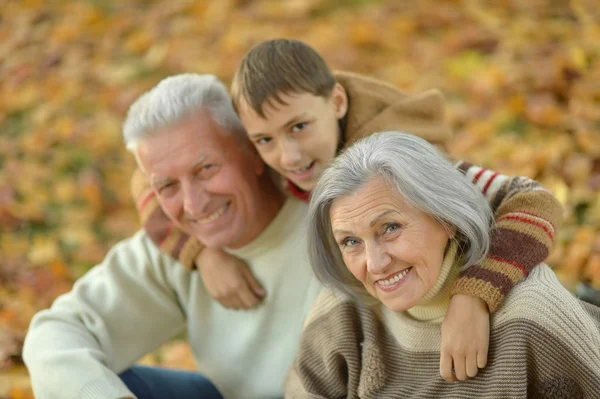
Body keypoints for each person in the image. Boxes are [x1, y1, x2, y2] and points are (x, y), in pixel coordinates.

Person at [130, 39, 564, 381]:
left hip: (453, 301)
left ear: (337, 103)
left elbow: (536, 201)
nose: (289, 156)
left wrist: (475, 295)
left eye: (299, 127)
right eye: (265, 140)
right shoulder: (277, 150)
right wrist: (202, 252)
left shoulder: (397, 165)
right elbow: (148, 181)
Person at [22, 74, 322, 399]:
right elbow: (54, 334)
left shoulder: (336, 228)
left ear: (253, 152)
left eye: (206, 169)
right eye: (168, 186)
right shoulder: (180, 245)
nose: (194, 204)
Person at [285, 131, 600, 398]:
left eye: (390, 228)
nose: (375, 264)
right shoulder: (343, 312)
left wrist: (473, 296)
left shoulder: (533, 317)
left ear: (447, 219)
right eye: (351, 242)